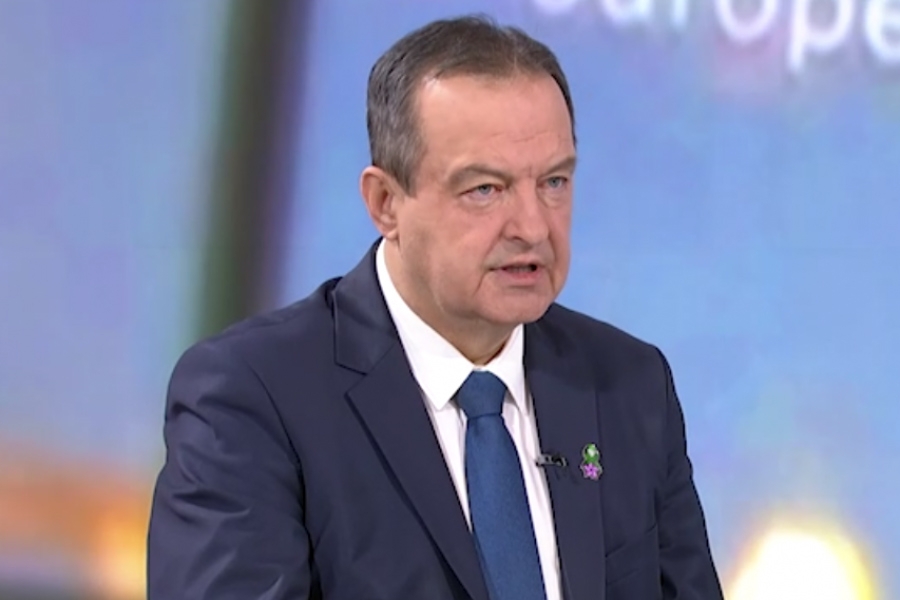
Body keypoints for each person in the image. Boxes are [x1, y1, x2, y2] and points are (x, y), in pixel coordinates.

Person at [147, 15, 724, 600]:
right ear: (385, 203)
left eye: (553, 182)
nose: (532, 227)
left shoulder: (629, 385)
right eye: (485, 189)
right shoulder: (252, 398)